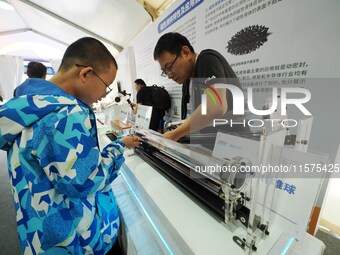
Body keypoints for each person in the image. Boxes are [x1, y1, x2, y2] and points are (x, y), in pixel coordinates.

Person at [0, 37, 140, 255]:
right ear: (86, 74)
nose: (105, 93)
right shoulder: (68, 114)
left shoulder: (28, 105)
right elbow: (84, 181)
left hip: (42, 237)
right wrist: (118, 147)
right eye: (106, 85)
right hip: (76, 243)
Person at [153, 32, 243, 141]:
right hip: (207, 144)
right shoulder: (187, 82)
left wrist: (176, 134)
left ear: (186, 53)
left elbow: (215, 106)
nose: (169, 75)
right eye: (165, 71)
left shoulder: (206, 60)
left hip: (232, 143)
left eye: (169, 67)